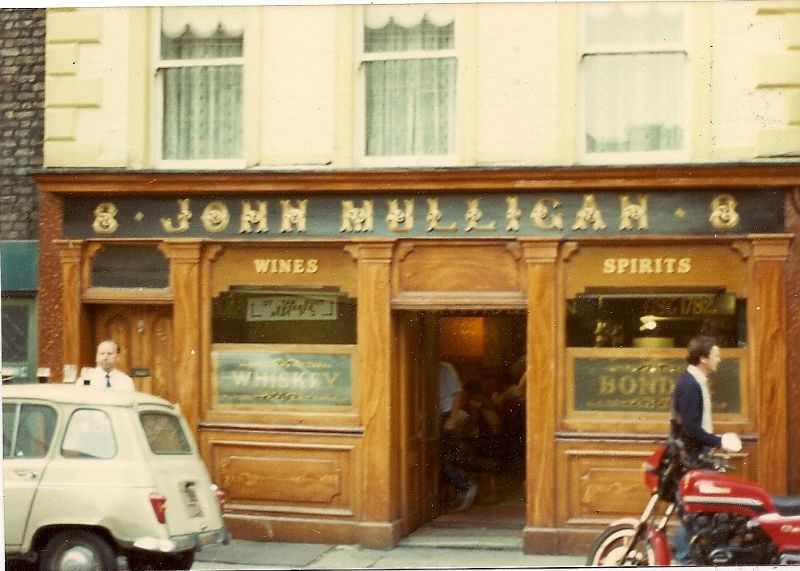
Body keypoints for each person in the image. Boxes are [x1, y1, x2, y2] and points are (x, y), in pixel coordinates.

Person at [670, 335, 741, 564]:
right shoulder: (690, 384)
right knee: (693, 510)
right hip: (691, 457)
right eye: (715, 355)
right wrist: (718, 441)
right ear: (703, 358)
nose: (719, 359)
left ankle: (694, 556)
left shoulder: (695, 380)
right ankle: (684, 559)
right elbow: (691, 428)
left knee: (699, 508)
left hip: (694, 454)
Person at [439, 360, 478, 512]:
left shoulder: (446, 368)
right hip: (434, 414)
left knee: (441, 456)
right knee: (438, 457)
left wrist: (453, 418)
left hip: (445, 415)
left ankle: (465, 486)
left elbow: (458, 392)